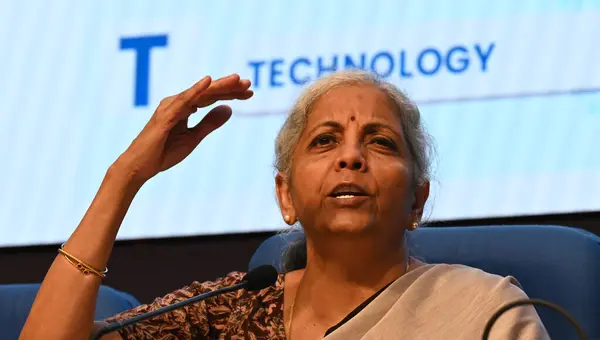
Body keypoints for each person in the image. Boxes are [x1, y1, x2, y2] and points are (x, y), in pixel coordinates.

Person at [20, 70, 549, 340]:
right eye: (324, 141)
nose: (351, 156)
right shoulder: (232, 314)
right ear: (285, 197)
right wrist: (124, 177)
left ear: (418, 200)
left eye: (381, 142)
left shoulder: (483, 310)